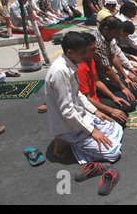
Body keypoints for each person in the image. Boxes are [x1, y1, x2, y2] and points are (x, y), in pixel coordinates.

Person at [45, 31, 123, 164]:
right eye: (82, 53)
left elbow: (78, 94)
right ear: (70, 52)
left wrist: (95, 111)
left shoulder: (70, 63)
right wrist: (92, 131)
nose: (86, 56)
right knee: (113, 153)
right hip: (69, 126)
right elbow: (67, 111)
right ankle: (68, 142)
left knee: (116, 125)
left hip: (80, 117)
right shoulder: (60, 72)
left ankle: (76, 142)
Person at [78, 32, 132, 128]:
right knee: (119, 121)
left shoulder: (90, 60)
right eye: (93, 49)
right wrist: (110, 110)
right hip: (87, 104)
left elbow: (97, 81)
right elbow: (86, 99)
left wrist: (113, 97)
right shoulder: (80, 69)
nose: (96, 52)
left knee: (127, 106)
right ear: (83, 51)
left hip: (94, 97)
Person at [92, 16, 137, 111]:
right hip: (102, 79)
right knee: (131, 104)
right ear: (106, 30)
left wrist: (125, 77)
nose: (116, 36)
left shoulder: (108, 38)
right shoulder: (97, 42)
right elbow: (107, 69)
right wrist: (122, 88)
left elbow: (114, 57)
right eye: (115, 33)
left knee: (135, 91)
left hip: (109, 75)